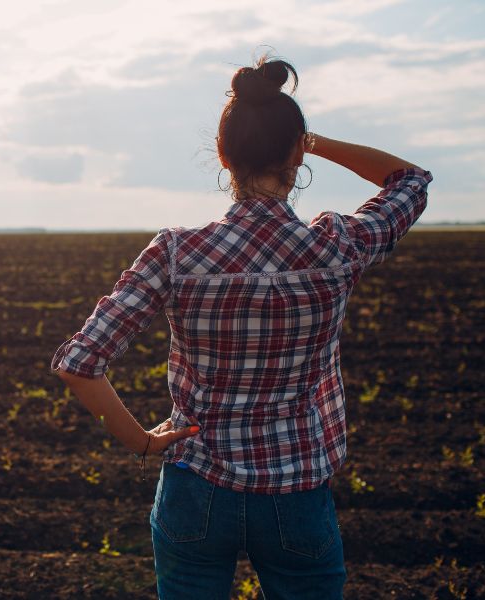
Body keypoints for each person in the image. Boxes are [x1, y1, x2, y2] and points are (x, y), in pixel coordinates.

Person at [50, 53, 432, 600]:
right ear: (296, 154)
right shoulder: (336, 247)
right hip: (298, 490)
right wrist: (310, 140)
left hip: (195, 487)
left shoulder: (177, 253)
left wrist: (140, 441)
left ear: (223, 157)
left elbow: (80, 363)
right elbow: (410, 181)